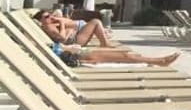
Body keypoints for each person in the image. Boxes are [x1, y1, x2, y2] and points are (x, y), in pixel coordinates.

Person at [51, 40, 179, 67]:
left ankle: (160, 60)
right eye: (47, 17)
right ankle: (160, 61)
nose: (51, 18)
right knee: (126, 56)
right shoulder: (56, 51)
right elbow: (70, 59)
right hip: (84, 55)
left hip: (84, 52)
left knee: (128, 54)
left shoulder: (54, 47)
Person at [34, 9, 115, 48]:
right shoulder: (48, 26)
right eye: (47, 17)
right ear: (41, 20)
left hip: (74, 38)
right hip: (74, 41)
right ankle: (105, 44)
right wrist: (62, 23)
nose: (51, 17)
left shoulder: (50, 24)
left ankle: (105, 43)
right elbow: (62, 38)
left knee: (95, 23)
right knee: (95, 22)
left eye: (50, 14)